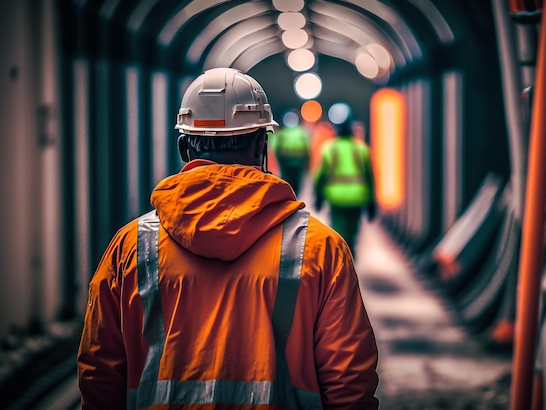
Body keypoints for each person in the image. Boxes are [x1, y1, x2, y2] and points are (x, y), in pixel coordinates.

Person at [76, 68, 379, 410]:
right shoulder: (320, 247)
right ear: (262, 145)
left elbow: (100, 371)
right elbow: (349, 378)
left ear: (183, 147)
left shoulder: (131, 246)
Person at [313, 117, 377, 255]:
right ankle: (351, 259)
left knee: (338, 233)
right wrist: (372, 201)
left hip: (336, 198)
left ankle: (341, 262)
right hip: (357, 197)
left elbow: (321, 175)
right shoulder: (362, 148)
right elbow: (370, 176)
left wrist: (318, 195)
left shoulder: (328, 148)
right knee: (352, 233)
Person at [271, 114, 311, 196]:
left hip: (285, 163)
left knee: (287, 182)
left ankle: (288, 198)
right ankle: (296, 198)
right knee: (297, 184)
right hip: (299, 163)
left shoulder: (282, 134)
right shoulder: (302, 133)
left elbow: (274, 147)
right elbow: (307, 148)